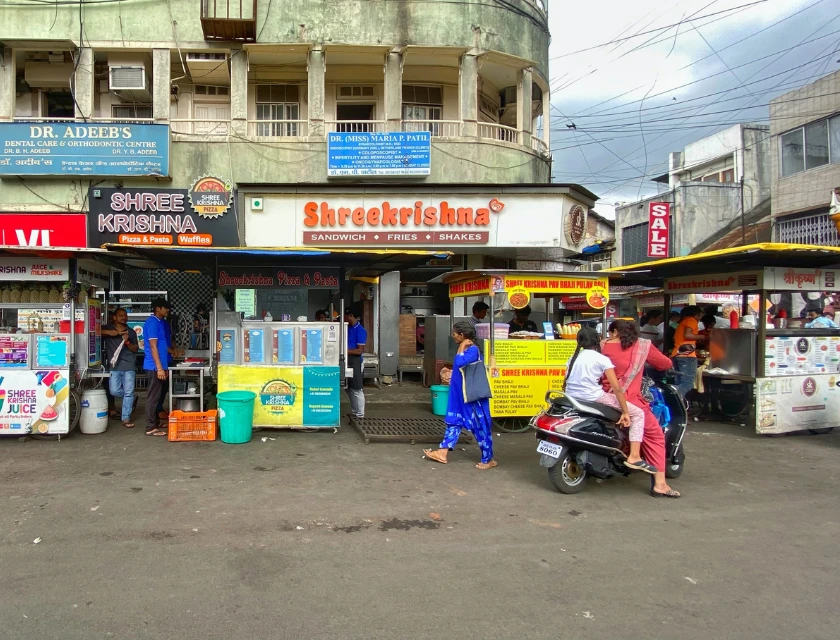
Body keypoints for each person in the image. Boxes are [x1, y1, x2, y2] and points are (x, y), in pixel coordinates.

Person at [602, 319, 681, 498]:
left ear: (614, 332)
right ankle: (660, 484)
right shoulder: (642, 346)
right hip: (628, 399)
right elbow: (664, 364)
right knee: (655, 435)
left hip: (601, 396)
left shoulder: (603, 345)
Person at [564, 327, 656, 473]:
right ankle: (634, 456)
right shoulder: (601, 359)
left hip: (572, 397)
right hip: (593, 397)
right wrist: (626, 412)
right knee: (638, 414)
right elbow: (617, 388)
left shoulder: (573, 358)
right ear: (598, 340)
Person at [423, 322, 497, 470]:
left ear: (462, 335)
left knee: (480, 427)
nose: (453, 336)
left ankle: (488, 459)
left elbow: (459, 362)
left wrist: (462, 347)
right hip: (460, 395)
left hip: (471, 398)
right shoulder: (469, 349)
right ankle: (442, 453)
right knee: (454, 422)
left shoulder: (473, 350)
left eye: (455, 334)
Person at [102, 308, 140, 428]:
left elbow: (135, 349)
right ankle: (131, 398)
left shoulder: (131, 332)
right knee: (113, 390)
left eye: (125, 315)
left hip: (129, 365)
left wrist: (127, 341)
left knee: (128, 392)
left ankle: (126, 418)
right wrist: (109, 333)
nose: (124, 317)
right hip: (114, 366)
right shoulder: (108, 328)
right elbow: (94, 331)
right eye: (121, 315)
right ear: (114, 317)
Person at [144, 298, 173, 437]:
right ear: (157, 308)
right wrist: (159, 368)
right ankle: (150, 427)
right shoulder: (152, 323)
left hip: (159, 365)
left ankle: (155, 422)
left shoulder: (160, 322)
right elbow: (153, 346)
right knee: (153, 397)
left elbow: (162, 346)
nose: (167, 310)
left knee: (158, 396)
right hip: (153, 366)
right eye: (165, 307)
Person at [671, 305, 703, 397]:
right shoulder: (691, 320)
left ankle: (673, 405)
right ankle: (673, 401)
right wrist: (704, 337)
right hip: (687, 356)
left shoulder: (682, 323)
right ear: (696, 314)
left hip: (676, 355)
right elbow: (688, 335)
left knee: (679, 382)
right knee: (687, 383)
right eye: (700, 315)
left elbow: (675, 339)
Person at [345, 309, 367, 419]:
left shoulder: (360, 330)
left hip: (356, 361)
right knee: (348, 388)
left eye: (345, 316)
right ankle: (354, 411)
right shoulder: (347, 328)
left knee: (357, 389)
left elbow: (359, 351)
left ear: (351, 315)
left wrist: (343, 351)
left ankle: (360, 414)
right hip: (347, 361)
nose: (344, 319)